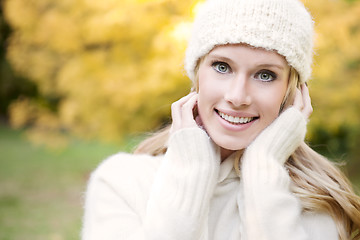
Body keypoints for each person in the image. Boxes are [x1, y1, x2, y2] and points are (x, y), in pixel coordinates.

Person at [81, 0, 360, 239]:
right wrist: (192, 174)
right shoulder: (123, 182)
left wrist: (263, 169)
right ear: (197, 74)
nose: (238, 96)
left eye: (265, 75)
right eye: (222, 66)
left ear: (293, 92)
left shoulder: (318, 202)